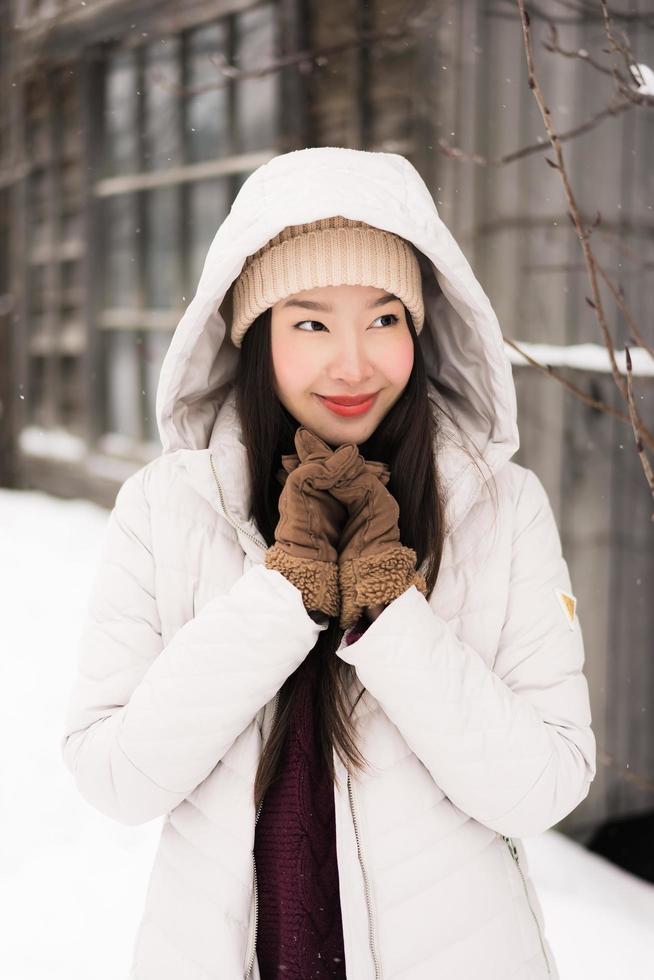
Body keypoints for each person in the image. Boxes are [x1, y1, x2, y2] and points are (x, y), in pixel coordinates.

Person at [60, 146, 596, 980]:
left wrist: (392, 613)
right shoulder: (168, 509)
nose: (354, 363)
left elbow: (543, 786)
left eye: (384, 319)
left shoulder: (500, 507)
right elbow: (116, 777)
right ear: (254, 335)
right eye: (311, 322)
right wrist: (282, 597)